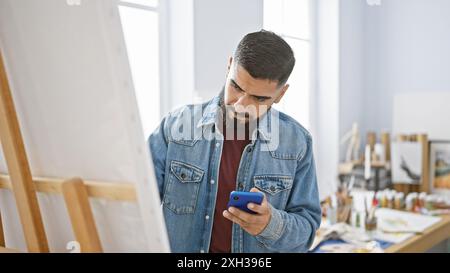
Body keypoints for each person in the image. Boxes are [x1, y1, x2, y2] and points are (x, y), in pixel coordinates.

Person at [149, 30, 321, 253]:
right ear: (229, 65)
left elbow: (307, 229)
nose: (241, 104)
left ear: (281, 94)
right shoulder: (174, 126)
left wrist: (271, 225)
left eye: (259, 98)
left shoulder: (297, 143)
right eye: (237, 87)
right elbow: (137, 203)